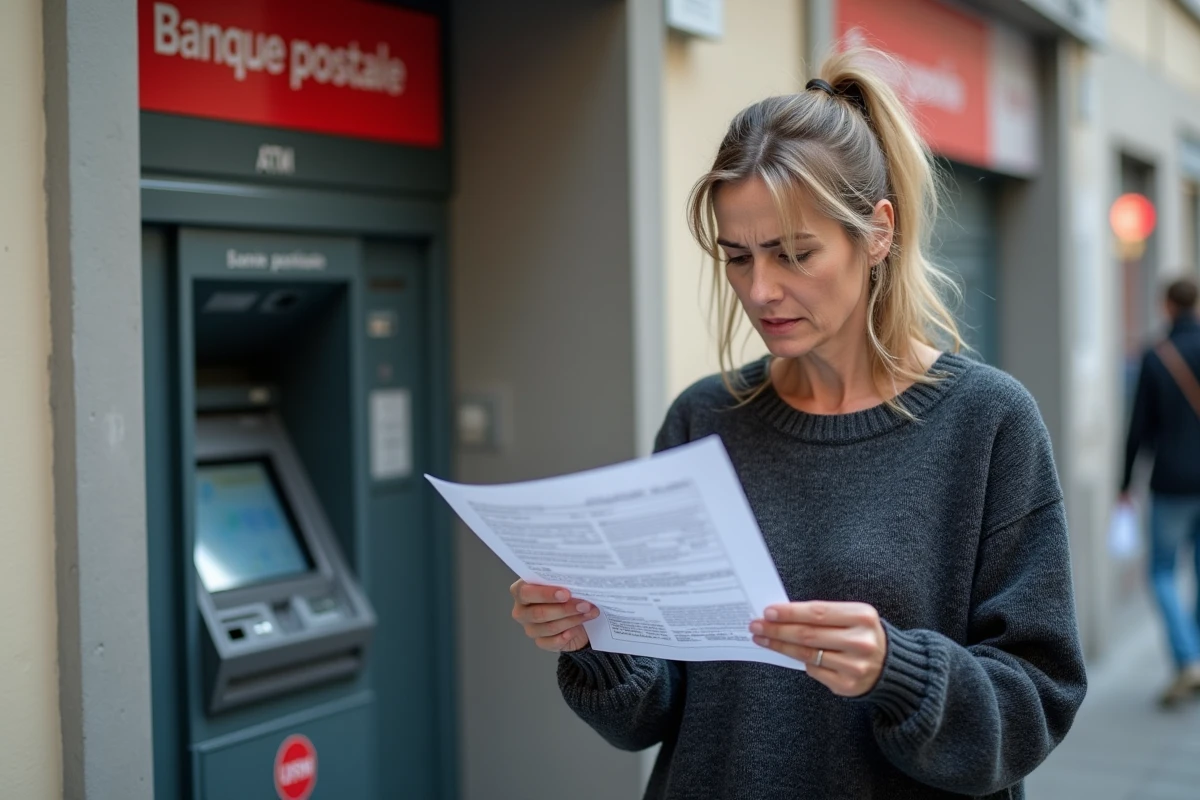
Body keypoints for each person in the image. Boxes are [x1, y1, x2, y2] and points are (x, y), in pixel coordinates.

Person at [509, 50, 1086, 799]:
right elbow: (649, 716)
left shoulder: (988, 423)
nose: (760, 290)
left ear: (877, 234)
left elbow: (1036, 704)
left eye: (793, 254)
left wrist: (898, 671)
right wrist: (594, 640)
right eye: (738, 257)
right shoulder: (702, 420)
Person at [1121, 276, 1200, 708]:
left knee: (1163, 572)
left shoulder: (1156, 356)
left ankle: (1188, 659)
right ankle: (1194, 655)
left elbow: (1138, 429)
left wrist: (1123, 483)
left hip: (1169, 482)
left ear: (1167, 306)